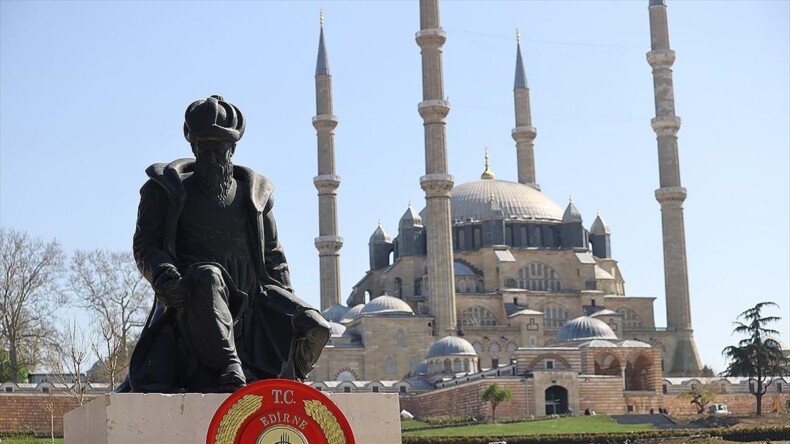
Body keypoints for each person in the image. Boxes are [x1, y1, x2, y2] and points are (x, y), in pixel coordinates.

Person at [118, 95, 330, 393]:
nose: (214, 157)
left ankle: (289, 383)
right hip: (196, 293)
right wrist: (164, 274)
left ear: (233, 149)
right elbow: (146, 245)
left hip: (253, 295)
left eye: (221, 149)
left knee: (316, 326)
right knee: (209, 275)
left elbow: (273, 257)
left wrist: (287, 300)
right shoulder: (164, 191)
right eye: (205, 149)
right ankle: (231, 366)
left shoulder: (255, 195)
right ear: (193, 147)